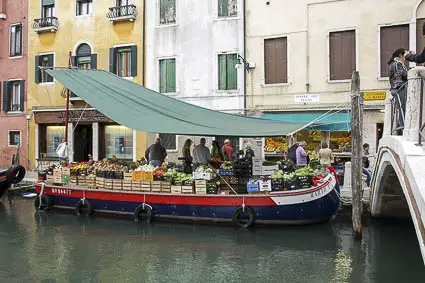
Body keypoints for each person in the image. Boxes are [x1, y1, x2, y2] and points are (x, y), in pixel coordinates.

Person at [388, 48, 408, 134]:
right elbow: (404, 75)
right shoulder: (398, 64)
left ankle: (400, 128)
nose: (406, 59)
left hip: (395, 88)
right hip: (399, 88)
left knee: (400, 109)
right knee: (403, 109)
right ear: (400, 55)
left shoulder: (393, 63)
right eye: (405, 56)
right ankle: (402, 129)